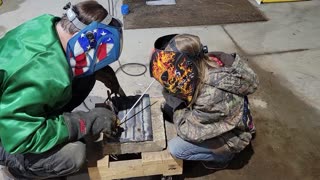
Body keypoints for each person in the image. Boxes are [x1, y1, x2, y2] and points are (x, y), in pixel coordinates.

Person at [0, 1, 125, 179]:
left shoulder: (50, 25)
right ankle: (18, 170)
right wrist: (83, 123)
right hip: (10, 135)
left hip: (12, 108)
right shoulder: (43, 73)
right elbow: (23, 136)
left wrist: (96, 68)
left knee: (85, 76)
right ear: (84, 40)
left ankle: (53, 128)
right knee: (73, 154)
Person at [149, 34, 259, 169]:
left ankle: (223, 157)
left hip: (234, 137)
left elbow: (187, 131)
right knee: (167, 107)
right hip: (224, 117)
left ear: (184, 65)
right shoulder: (207, 61)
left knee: (176, 148)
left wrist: (177, 103)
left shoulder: (210, 94)